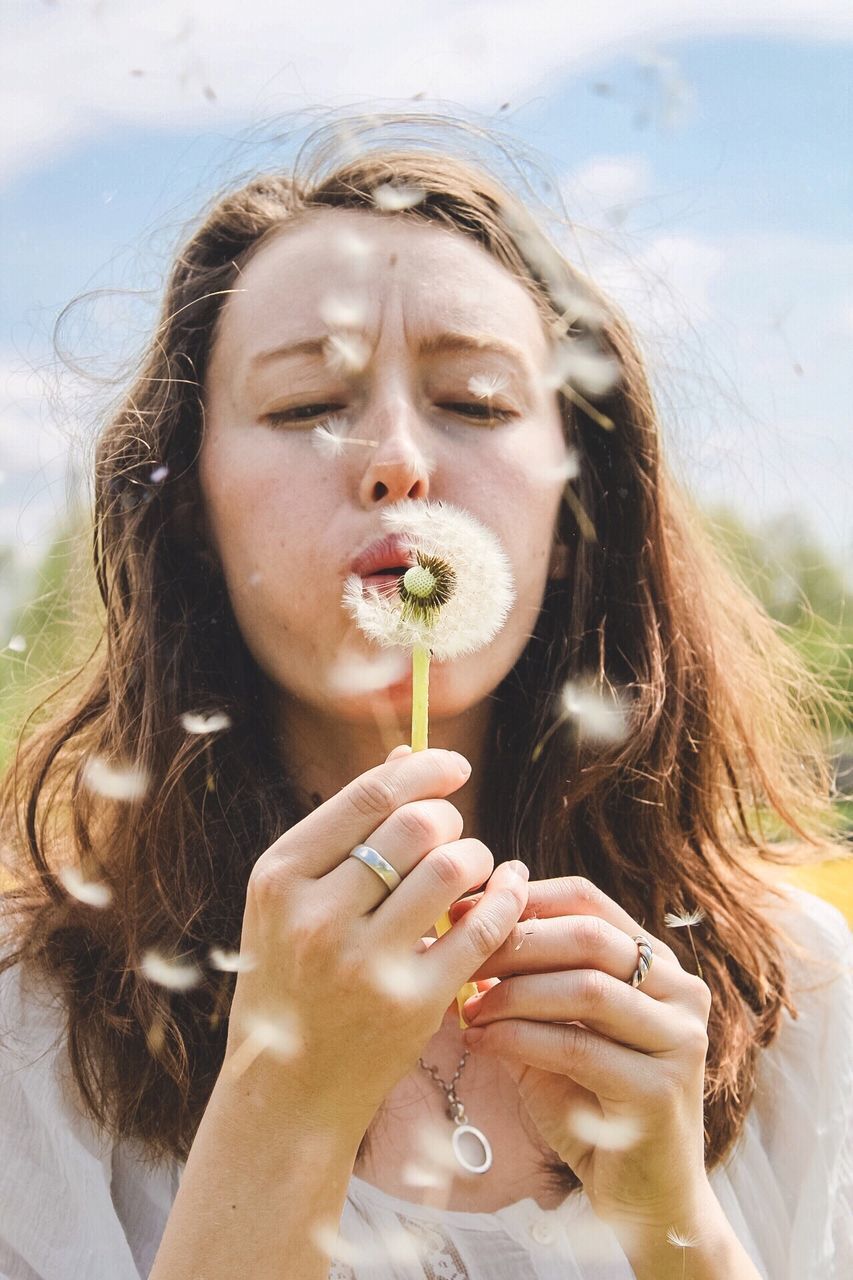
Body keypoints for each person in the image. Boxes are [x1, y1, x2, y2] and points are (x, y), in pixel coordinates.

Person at [0, 113, 850, 1280]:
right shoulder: (27, 1032)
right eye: (306, 407)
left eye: (478, 402)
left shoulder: (796, 991)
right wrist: (283, 1109)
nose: (398, 455)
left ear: (572, 510)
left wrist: (672, 1220)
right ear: (192, 510)